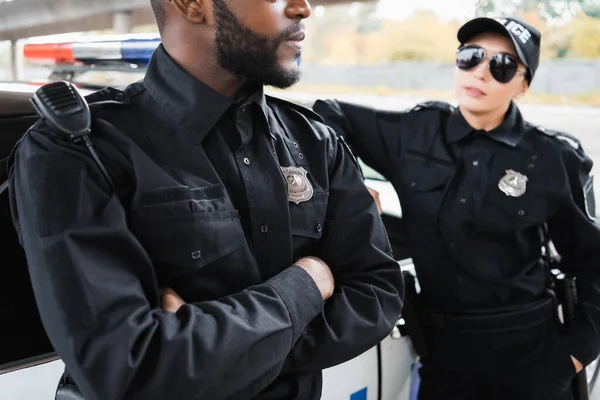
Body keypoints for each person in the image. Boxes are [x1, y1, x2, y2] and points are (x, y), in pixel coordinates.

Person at [7, 1, 404, 399]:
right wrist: (308, 285)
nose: (303, 8)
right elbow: (129, 368)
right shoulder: (76, 151)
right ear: (192, 5)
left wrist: (208, 350)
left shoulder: (315, 142)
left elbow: (378, 292)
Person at [314, 16, 600, 400]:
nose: (481, 73)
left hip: (530, 355)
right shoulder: (414, 132)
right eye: (471, 57)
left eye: (501, 66)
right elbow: (326, 114)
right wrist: (348, 184)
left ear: (523, 85)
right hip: (445, 357)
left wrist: (573, 356)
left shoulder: (552, 158)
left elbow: (593, 261)